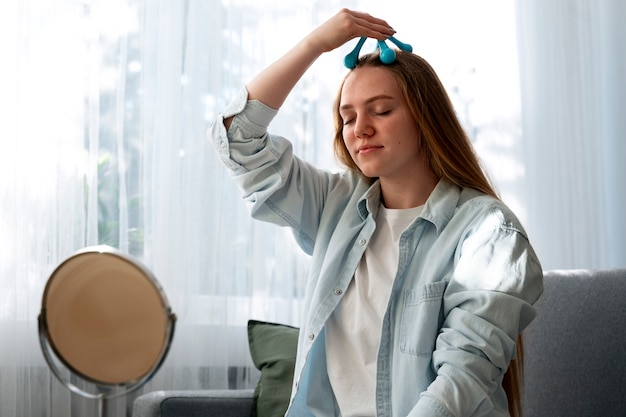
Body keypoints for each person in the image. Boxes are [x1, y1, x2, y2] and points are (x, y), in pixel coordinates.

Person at [208, 8, 543, 417]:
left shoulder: (489, 234)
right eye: (347, 118)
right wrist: (316, 44)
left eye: (381, 111)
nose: (359, 128)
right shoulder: (336, 206)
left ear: (426, 118)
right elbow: (237, 137)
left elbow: (462, 378)